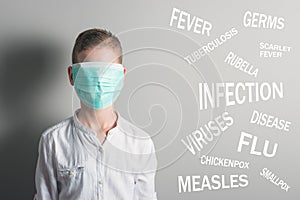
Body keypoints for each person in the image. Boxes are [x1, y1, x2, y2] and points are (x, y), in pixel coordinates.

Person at [33, 28, 157, 200]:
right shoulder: (53, 141)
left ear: (121, 76)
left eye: (107, 72)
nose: (99, 82)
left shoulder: (140, 144)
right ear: (72, 75)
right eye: (90, 73)